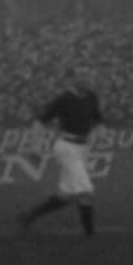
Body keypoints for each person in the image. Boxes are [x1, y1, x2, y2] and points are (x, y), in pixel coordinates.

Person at [17, 67, 103, 237]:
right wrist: (34, 146)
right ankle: (90, 234)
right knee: (86, 191)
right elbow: (40, 121)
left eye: (89, 76)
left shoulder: (92, 97)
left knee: (67, 195)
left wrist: (95, 134)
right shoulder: (64, 99)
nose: (87, 79)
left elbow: (99, 121)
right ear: (75, 80)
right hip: (66, 147)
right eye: (83, 76)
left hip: (82, 148)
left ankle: (28, 216)